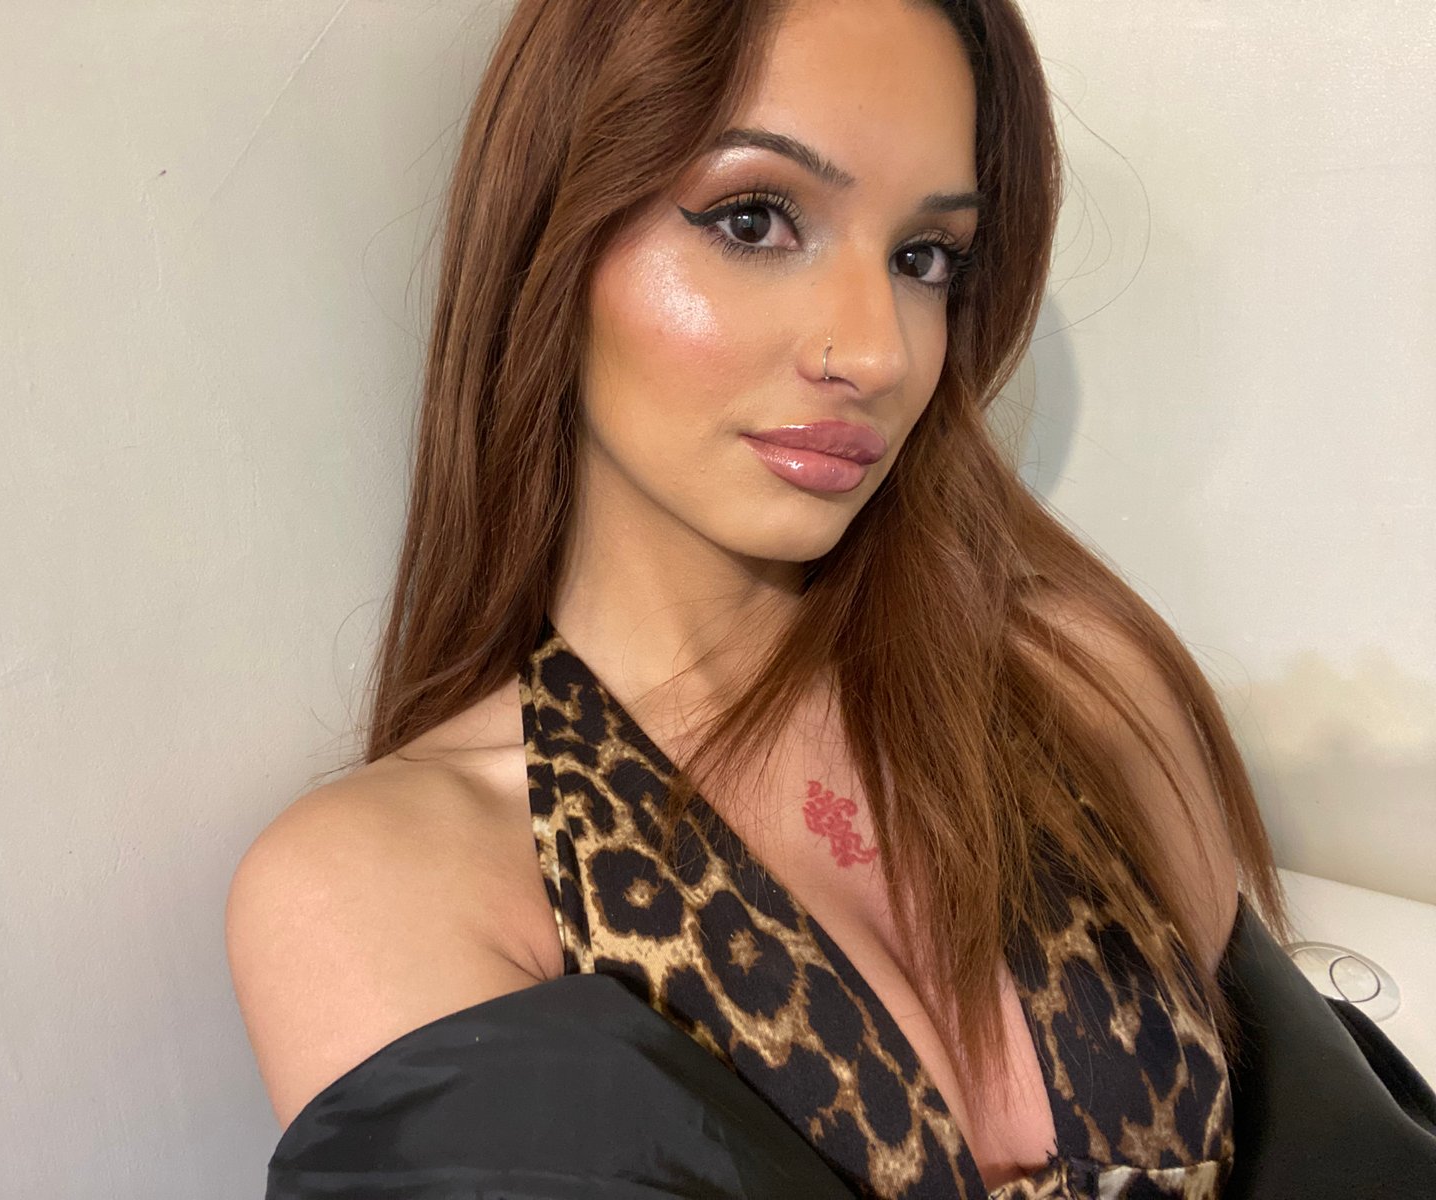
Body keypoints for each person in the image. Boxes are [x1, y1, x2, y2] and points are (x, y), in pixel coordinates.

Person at [224, 1, 1307, 1195]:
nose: (878, 351)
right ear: (551, 237)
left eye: (923, 257)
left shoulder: (1080, 684)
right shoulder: (387, 883)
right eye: (752, 220)